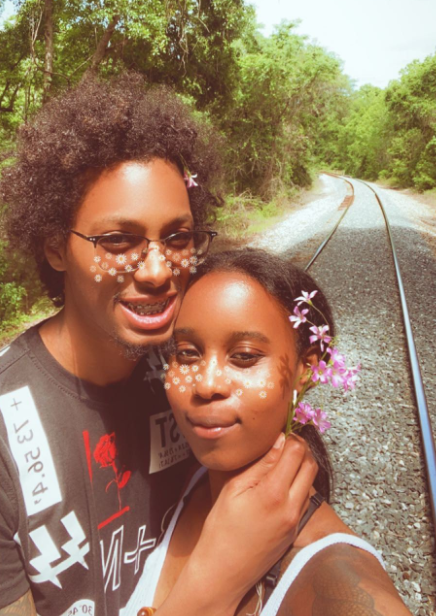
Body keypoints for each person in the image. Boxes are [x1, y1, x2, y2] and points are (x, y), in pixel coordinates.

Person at [0, 75, 318, 616]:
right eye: (118, 241)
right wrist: (208, 591)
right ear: (56, 247)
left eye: (177, 237)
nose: (157, 271)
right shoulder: (9, 431)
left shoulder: (190, 371)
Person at [124, 248, 413, 616]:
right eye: (187, 353)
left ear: (306, 369)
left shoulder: (337, 581)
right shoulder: (185, 483)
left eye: (244, 356)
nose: (206, 384)